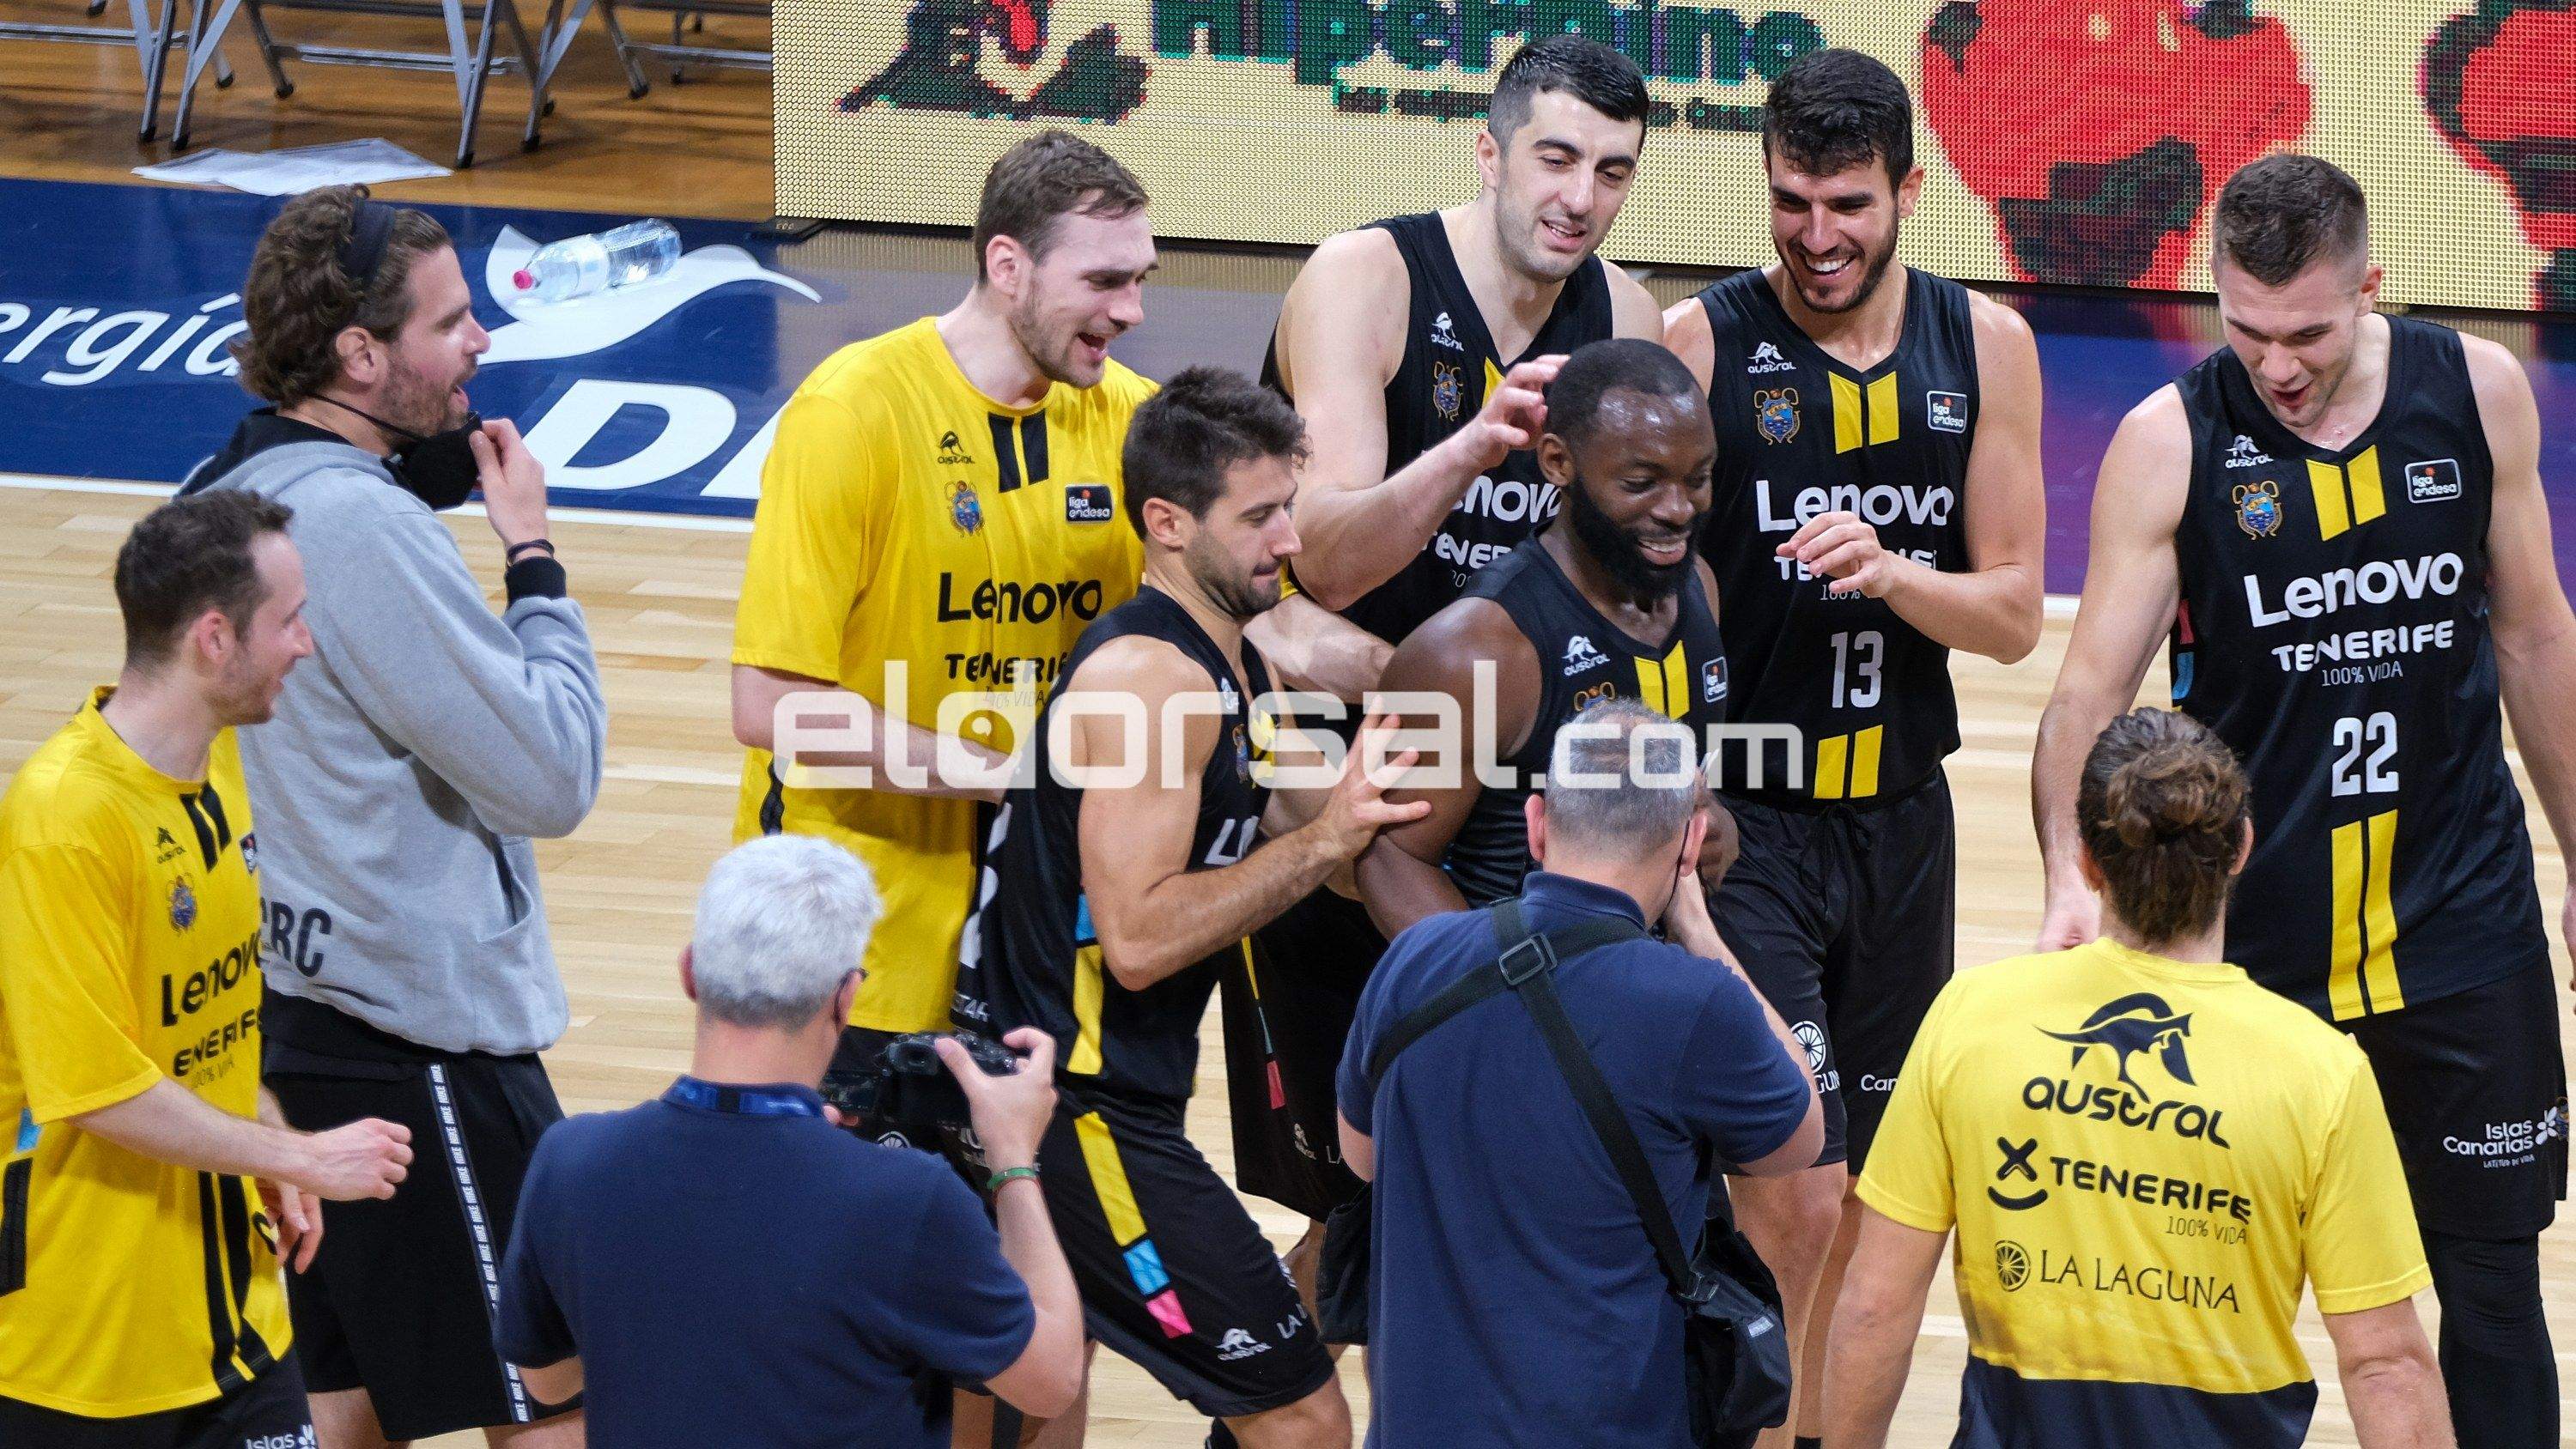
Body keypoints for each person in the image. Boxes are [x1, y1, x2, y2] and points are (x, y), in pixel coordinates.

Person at [2032, 154, 2574, 1447]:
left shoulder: (2476, 393)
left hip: (2465, 927)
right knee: (2215, 1299)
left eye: (2309, 333)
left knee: (2493, 1290)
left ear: (2372, 288)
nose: (2275, 363)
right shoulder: (2170, 440)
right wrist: (2066, 875)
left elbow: (2536, 641)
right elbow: (2086, 694)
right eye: (2248, 327)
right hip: (2250, 948)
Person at [732, 131, 1375, 1160]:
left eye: (1141, 280)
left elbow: (1263, 613)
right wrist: (1025, 780)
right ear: (1006, 265)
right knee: (826, 1293)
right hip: (850, 947)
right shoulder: (852, 411)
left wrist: (1424, 674)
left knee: (1014, 1281)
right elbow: (772, 706)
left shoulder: (1122, 417)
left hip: (1021, 963)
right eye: (1106, 280)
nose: (1132, 310)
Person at [1227, 32, 1669, 1270]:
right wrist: (1475, 443)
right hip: (1344, 781)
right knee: (1355, 1210)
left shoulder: (1624, 314)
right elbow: (1327, 564)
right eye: (1556, 157)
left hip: (1511, 794)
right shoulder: (1363, 278)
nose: (1580, 197)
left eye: (1614, 172)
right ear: (1489, 152)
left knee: (1505, 1192)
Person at [1658, 49, 2046, 1447]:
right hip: (1749, 817)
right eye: (1792, 202)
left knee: (1882, 1198)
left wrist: (1891, 572)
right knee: (1798, 1184)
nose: (1817, 238)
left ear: (1909, 192)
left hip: (1902, 828)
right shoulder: (1699, 342)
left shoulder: (1986, 344)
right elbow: (1638, 581)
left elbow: (2009, 616)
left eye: (1848, 206)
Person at [189, 184, 606, 1448]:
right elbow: (550, 773)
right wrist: (532, 559)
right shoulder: (358, 526)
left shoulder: (224, 485)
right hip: (420, 1047)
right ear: (362, 354)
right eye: (454, 320)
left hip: (290, 1016)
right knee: (558, 1401)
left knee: (342, 1406)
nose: (482, 342)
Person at [951, 368, 1425, 1447]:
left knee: (1027, 1397)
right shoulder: (1151, 680)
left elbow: (1325, 822)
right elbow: (1139, 936)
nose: (1289, 538)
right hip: (1074, 1109)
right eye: (1258, 515)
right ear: (1167, 524)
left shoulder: (1229, 652)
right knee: (1303, 1418)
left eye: (1288, 506)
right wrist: (1327, 838)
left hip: (1069, 1094)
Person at [1835, 708, 2451, 1447]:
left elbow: (1875, 1306)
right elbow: (2385, 1364)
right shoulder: (2321, 1072)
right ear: (2241, 849)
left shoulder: (1973, 1015)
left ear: (2089, 864)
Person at [0, 492, 414, 1448]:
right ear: (215, 638)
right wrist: (302, 1154)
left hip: (236, 1316)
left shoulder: (217, 765)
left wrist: (264, 1128)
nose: (307, 645)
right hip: (89, 1350)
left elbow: (204, 1018)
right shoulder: (65, 819)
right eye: (291, 619)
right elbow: (94, 1088)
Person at [493, 835, 1085, 1448]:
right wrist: (1013, 1162)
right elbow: (1051, 1381)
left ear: (691, 972)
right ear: (846, 996)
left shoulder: (571, 1159)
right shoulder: (906, 1200)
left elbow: (549, 1380)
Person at [1338, 699, 1820, 1446]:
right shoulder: (1695, 1001)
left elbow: (1364, 1157)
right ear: (1691, 844)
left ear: (1536, 823)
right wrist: (1697, 928)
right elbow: (1800, 1139)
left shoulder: (1414, 960)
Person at [1356, 337, 1731, 932]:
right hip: (1532, 985)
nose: (1679, 509)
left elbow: (1687, 780)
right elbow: (1392, 858)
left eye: (1699, 478)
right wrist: (1505, 996)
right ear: (1557, 462)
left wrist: (1712, 818)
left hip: (1658, 977)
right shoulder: (1474, 650)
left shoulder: (1698, 589)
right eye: (1642, 483)